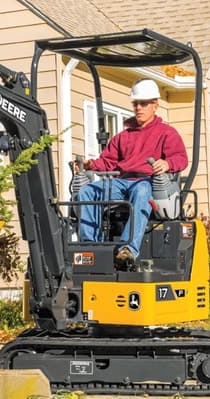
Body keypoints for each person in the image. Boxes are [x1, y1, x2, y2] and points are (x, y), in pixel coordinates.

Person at [75, 78, 189, 264]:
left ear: (155, 105)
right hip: (122, 181)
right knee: (87, 191)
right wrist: (90, 165)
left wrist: (167, 164)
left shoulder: (167, 133)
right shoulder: (123, 137)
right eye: (136, 104)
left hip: (148, 181)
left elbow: (181, 159)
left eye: (143, 104)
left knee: (142, 190)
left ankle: (128, 248)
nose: (139, 108)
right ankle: (91, 245)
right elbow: (108, 162)